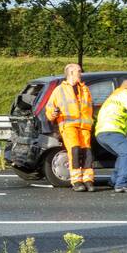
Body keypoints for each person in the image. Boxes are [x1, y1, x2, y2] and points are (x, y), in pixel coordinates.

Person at [45, 63, 95, 191]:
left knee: (87, 153)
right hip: (69, 126)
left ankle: (88, 180)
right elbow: (49, 109)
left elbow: (89, 107)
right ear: (71, 73)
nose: (81, 73)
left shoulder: (85, 89)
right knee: (75, 151)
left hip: (84, 126)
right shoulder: (59, 90)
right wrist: (53, 113)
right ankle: (76, 181)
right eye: (79, 71)